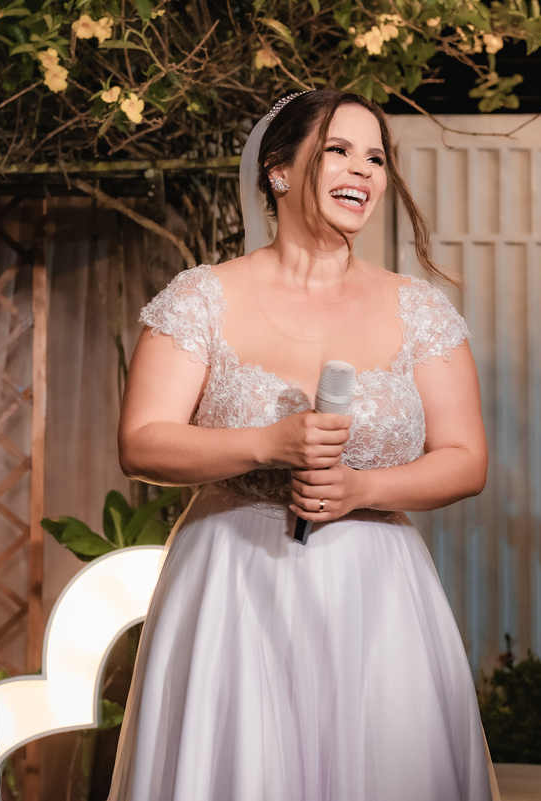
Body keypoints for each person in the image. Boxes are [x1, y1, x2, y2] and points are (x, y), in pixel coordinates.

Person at [109, 89, 497, 800]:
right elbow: (142, 442)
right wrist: (268, 442)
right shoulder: (202, 297)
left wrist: (364, 489)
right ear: (279, 172)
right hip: (233, 577)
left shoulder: (419, 310)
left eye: (376, 157)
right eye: (340, 150)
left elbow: (466, 457)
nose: (364, 170)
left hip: (376, 586)